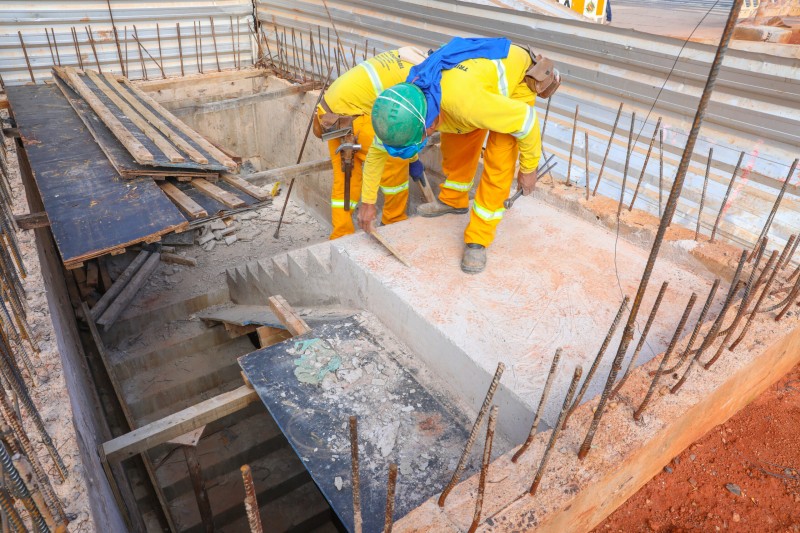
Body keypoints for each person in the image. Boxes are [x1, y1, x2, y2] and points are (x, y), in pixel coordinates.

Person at [359, 37, 560, 273]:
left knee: (500, 159)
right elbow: (377, 152)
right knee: (457, 139)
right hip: (470, 87)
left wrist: (529, 169)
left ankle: (479, 236)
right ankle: (454, 200)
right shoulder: (406, 102)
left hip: (516, 83)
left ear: (430, 126)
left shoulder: (466, 105)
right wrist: (368, 201)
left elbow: (526, 121)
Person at [313, 47, 428, 239]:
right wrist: (410, 157)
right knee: (395, 162)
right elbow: (403, 127)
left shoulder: (405, 55)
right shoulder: (419, 80)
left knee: (346, 176)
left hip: (329, 115)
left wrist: (414, 159)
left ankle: (341, 234)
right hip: (356, 115)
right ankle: (394, 221)